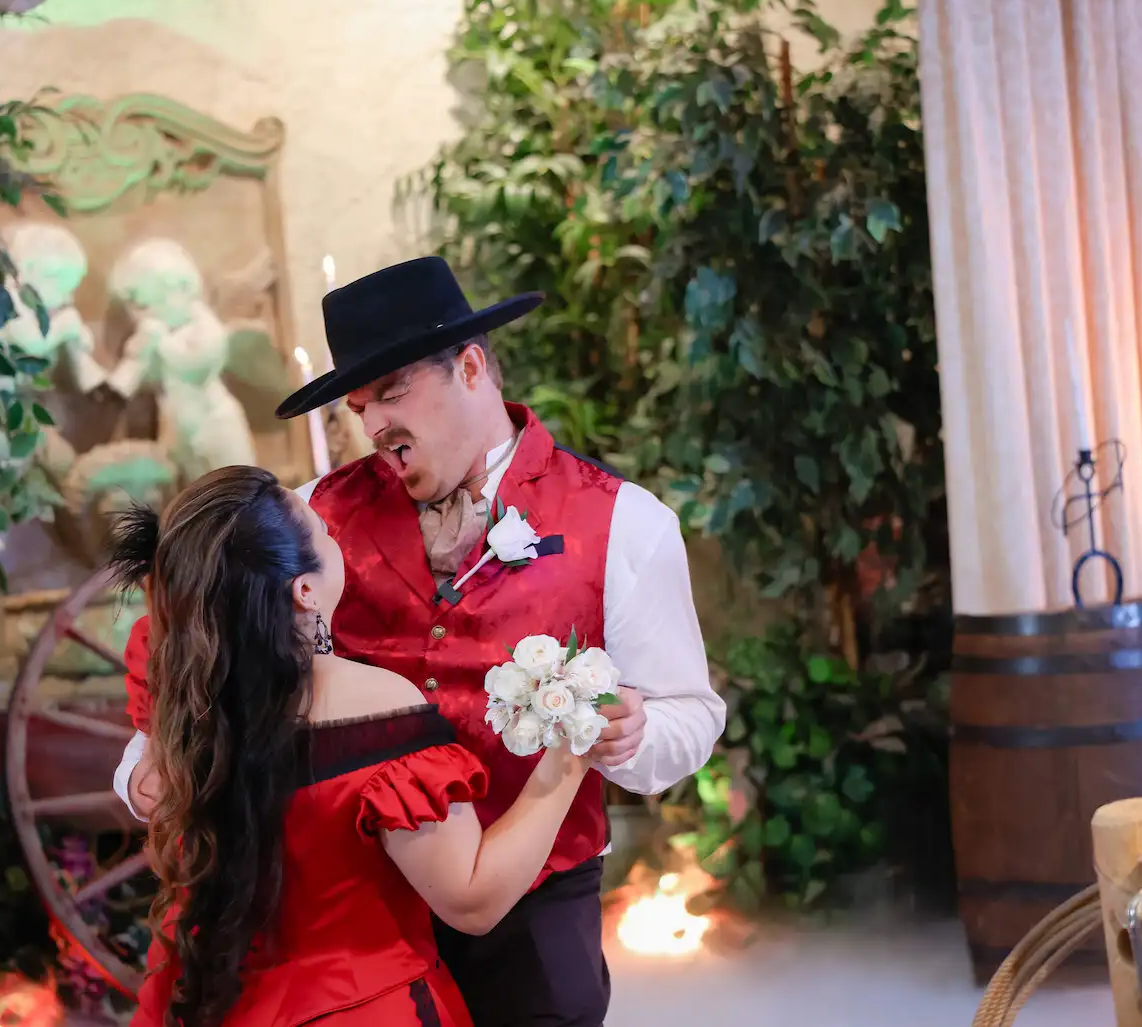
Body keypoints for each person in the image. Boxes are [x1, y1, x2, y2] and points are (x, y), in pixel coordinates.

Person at [113, 255, 726, 1027]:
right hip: (356, 926)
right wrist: (149, 763)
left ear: (470, 367)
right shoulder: (308, 517)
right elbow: (197, 646)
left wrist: (633, 733)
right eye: (359, 405)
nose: (371, 425)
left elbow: (690, 714)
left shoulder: (626, 521)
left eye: (392, 392)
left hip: (533, 915)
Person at [113, 466, 592, 1027]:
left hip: (224, 1002)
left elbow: (150, 787)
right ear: (304, 590)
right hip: (361, 1006)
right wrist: (573, 751)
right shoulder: (376, 703)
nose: (333, 536)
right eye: (322, 529)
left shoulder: (182, 687)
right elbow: (471, 899)